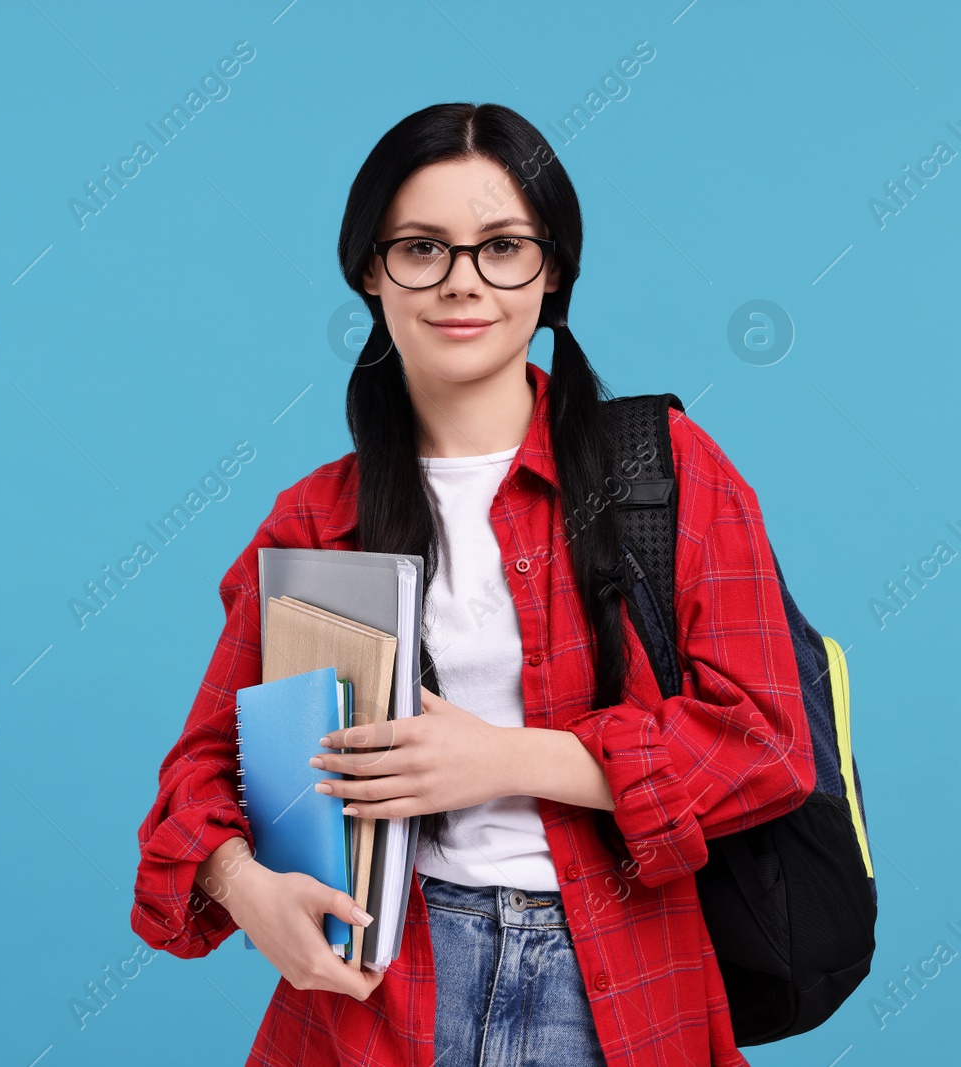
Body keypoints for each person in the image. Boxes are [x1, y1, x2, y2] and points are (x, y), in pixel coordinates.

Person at [130, 102, 815, 1066]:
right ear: (371, 270)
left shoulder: (668, 474)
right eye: (422, 248)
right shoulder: (315, 520)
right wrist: (247, 887)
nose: (462, 283)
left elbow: (767, 743)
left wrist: (504, 758)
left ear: (554, 271)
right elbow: (203, 774)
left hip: (619, 986)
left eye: (501, 247)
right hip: (383, 1000)